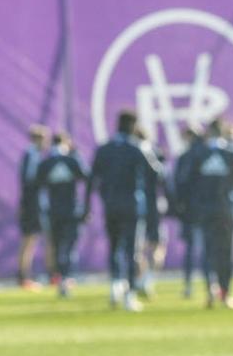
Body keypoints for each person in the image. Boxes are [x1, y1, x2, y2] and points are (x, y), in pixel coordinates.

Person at [86, 109, 155, 312]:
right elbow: (157, 173)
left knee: (114, 246)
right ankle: (129, 294)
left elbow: (92, 179)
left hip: (111, 205)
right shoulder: (137, 148)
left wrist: (87, 206)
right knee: (132, 250)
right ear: (133, 125)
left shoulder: (104, 149)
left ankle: (116, 284)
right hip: (132, 205)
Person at [177, 119, 233, 309]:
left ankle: (210, 289)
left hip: (205, 210)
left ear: (208, 132)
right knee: (227, 252)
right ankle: (225, 294)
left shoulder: (198, 154)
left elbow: (186, 183)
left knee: (208, 251)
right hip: (227, 210)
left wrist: (190, 207)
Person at [36, 131, 87, 298]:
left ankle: (60, 278)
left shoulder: (46, 163)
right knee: (70, 246)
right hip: (71, 210)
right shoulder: (71, 161)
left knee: (57, 247)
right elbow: (86, 176)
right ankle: (66, 277)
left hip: (53, 211)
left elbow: (37, 183)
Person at [131, 125, 167, 300]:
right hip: (150, 205)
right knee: (154, 245)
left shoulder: (130, 153)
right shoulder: (151, 152)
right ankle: (146, 280)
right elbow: (162, 176)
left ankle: (143, 280)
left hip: (137, 205)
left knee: (138, 247)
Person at [172, 125, 208, 298]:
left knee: (191, 249)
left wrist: (179, 206)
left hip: (190, 210)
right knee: (208, 249)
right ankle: (211, 285)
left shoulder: (186, 157)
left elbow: (179, 183)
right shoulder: (208, 154)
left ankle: (188, 285)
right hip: (207, 208)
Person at [16, 124, 50, 290]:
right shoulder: (32, 154)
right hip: (32, 204)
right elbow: (29, 180)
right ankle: (24, 276)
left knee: (29, 240)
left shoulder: (31, 154)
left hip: (30, 203)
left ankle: (24, 276)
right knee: (29, 240)